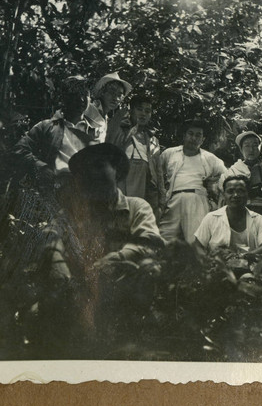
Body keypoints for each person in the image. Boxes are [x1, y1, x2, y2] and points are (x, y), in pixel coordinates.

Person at [32, 144, 164, 357]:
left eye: (100, 166)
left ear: (117, 171)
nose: (94, 174)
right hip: (80, 294)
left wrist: (114, 260)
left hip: (125, 294)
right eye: (87, 170)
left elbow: (150, 243)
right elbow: (50, 236)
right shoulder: (74, 212)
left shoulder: (137, 207)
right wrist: (58, 264)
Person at [14, 76, 95, 191]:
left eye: (85, 94)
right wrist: (41, 167)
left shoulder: (95, 132)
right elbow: (19, 149)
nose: (81, 100)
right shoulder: (46, 127)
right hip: (51, 193)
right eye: (75, 95)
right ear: (65, 99)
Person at [159, 119, 226, 244]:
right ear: (184, 135)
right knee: (164, 238)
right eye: (190, 134)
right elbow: (157, 174)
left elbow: (226, 177)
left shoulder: (210, 158)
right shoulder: (170, 153)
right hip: (173, 199)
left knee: (196, 241)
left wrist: (214, 187)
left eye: (198, 135)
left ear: (203, 139)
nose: (194, 138)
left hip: (197, 200)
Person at [106, 94, 165, 220]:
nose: (143, 114)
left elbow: (158, 173)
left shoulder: (152, 140)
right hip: (122, 187)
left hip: (146, 191)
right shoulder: (120, 131)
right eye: (139, 109)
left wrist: (161, 202)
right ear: (131, 110)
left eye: (147, 111)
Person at [194, 175, 262, 258]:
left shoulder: (258, 219)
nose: (235, 195)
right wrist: (208, 262)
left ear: (248, 194)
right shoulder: (211, 218)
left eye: (240, 191)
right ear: (224, 195)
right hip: (218, 267)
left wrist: (243, 256)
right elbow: (198, 246)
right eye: (230, 191)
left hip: (249, 267)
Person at [84, 72, 132, 143]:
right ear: (102, 92)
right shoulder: (89, 109)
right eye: (112, 92)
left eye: (119, 95)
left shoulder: (106, 119)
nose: (115, 98)